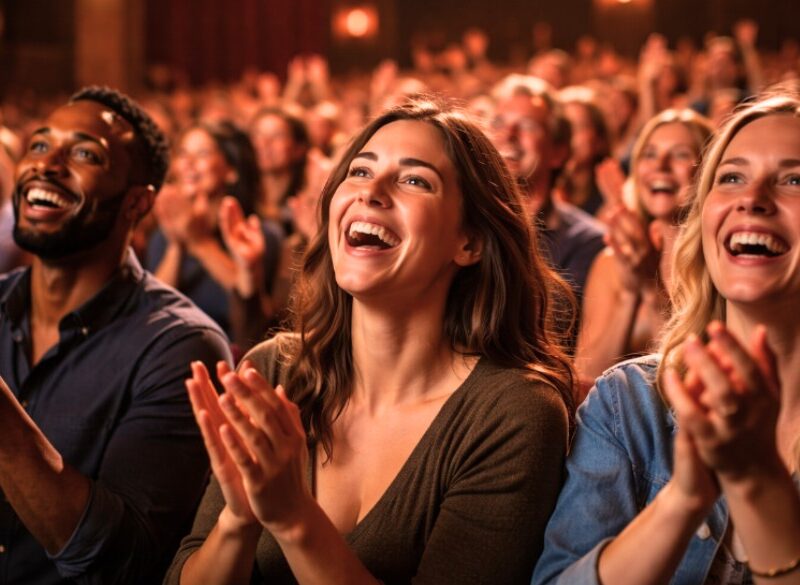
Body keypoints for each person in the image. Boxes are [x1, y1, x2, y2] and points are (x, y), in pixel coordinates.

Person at [166, 98, 574, 585]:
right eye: (359, 172)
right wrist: (238, 519)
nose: (371, 192)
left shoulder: (511, 413)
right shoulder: (273, 372)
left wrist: (295, 518)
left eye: (415, 180)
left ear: (470, 242)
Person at [533, 91, 800, 584]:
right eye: (733, 177)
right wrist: (681, 500)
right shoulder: (629, 403)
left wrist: (759, 485)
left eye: (793, 179)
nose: (752, 199)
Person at [0, 86, 232, 584]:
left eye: (84, 153)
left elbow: (125, 563)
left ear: (137, 203)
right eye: (39, 145)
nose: (47, 164)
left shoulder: (179, 347)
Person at [576, 109, 713, 388]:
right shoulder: (612, 260)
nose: (660, 166)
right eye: (649, 154)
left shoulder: (717, 260)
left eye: (680, 154)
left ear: (708, 169)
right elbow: (586, 380)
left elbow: (690, 380)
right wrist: (629, 295)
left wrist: (650, 291)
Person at [147, 121, 283, 349]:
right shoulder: (163, 236)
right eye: (183, 154)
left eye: (202, 154)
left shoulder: (256, 233)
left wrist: (200, 243)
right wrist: (177, 245)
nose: (189, 164)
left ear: (231, 171)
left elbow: (253, 315)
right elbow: (151, 312)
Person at [489, 74, 605, 343]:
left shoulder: (587, 242)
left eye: (527, 126)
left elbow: (550, 333)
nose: (508, 134)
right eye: (498, 123)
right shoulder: (461, 223)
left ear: (558, 152)